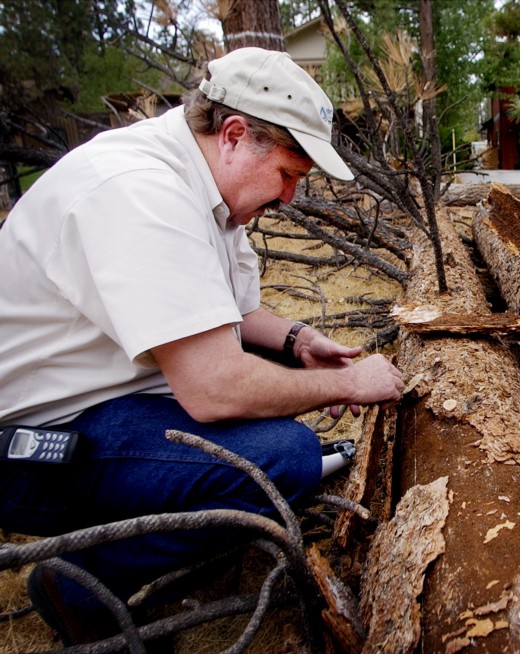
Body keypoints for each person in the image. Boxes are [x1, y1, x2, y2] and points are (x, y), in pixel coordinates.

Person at [0, 47, 404, 645]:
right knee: (280, 457)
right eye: (289, 174)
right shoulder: (140, 191)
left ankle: (176, 527)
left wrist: (298, 340)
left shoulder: (212, 191)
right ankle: (82, 583)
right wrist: (348, 384)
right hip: (34, 443)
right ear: (236, 134)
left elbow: (234, 313)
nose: (291, 197)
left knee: (273, 390)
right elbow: (216, 388)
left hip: (105, 397)